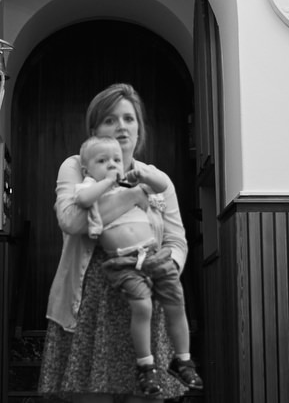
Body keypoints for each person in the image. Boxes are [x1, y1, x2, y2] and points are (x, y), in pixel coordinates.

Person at [38, 83, 199, 402]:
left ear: (139, 128)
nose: (121, 126)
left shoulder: (156, 179)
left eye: (129, 118)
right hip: (88, 306)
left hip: (144, 300)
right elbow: (72, 221)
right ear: (94, 131)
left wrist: (165, 269)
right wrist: (133, 196)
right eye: (110, 120)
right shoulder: (77, 167)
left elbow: (176, 241)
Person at [74, 135, 204, 396]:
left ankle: (183, 360)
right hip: (124, 262)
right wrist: (107, 181)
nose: (111, 165)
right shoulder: (91, 185)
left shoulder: (130, 183)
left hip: (152, 254)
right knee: (142, 306)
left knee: (176, 301)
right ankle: (146, 365)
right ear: (87, 170)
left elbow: (162, 185)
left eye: (116, 160)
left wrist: (144, 176)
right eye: (102, 161)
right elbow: (84, 200)